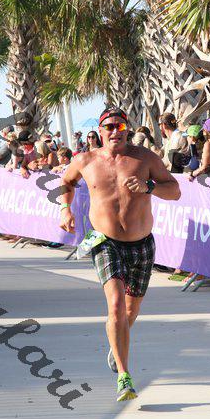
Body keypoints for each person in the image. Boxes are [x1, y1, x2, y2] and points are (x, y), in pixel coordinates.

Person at [60, 107, 180, 402]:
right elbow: (66, 182)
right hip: (104, 241)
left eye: (120, 126)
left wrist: (149, 186)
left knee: (129, 311)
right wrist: (65, 208)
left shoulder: (145, 158)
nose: (115, 131)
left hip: (142, 244)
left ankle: (116, 346)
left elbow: (175, 191)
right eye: (109, 126)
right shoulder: (85, 160)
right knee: (115, 306)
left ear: (127, 129)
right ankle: (124, 376)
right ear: (100, 131)